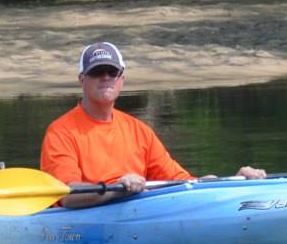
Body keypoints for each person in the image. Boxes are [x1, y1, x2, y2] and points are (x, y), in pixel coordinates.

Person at [40, 42, 267, 208]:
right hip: (79, 225)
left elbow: (184, 183)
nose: (106, 77)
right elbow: (67, 195)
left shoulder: (139, 131)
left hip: (135, 213)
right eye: (97, 71)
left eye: (112, 72)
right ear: (82, 80)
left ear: (121, 79)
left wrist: (234, 182)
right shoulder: (60, 132)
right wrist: (117, 190)